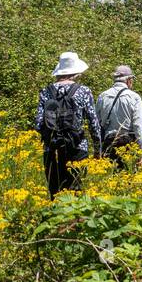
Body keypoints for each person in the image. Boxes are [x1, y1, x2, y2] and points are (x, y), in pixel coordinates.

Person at [35, 52, 101, 197]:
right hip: (77, 147)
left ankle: (55, 219)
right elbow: (93, 123)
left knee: (55, 193)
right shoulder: (83, 91)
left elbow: (38, 123)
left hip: (51, 149)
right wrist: (98, 150)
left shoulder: (46, 91)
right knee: (76, 192)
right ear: (76, 72)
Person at [96, 64, 142, 169]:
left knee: (109, 177)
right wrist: (141, 151)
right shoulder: (134, 97)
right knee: (128, 176)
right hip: (128, 144)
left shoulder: (103, 96)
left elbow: (96, 123)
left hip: (108, 143)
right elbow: (139, 126)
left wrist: (97, 149)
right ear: (128, 80)